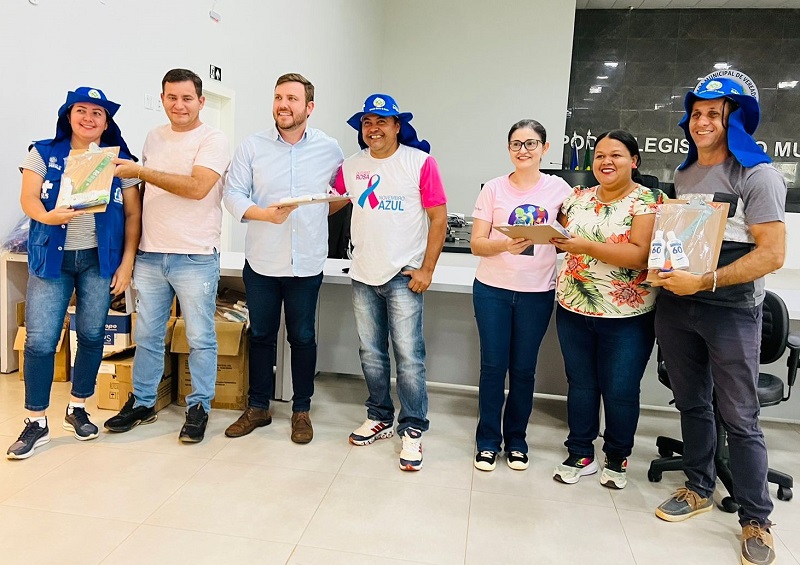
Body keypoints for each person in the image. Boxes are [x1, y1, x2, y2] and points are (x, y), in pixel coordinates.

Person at [651, 71, 786, 565]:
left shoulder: (759, 175)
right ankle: (698, 487)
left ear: (737, 119)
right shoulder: (685, 173)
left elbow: (771, 255)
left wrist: (705, 282)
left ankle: (756, 519)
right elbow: (685, 241)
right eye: (696, 113)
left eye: (714, 113)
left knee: (740, 418)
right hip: (677, 306)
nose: (701, 121)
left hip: (731, 311)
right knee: (692, 403)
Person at [7, 87, 141, 459]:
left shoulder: (119, 161)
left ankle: (78, 407)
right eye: (81, 110)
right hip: (52, 259)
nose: (88, 118)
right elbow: (28, 198)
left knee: (93, 335)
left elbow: (133, 214)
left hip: (99, 261)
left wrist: (127, 262)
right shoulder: (43, 153)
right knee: (40, 340)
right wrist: (47, 216)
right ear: (68, 115)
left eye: (97, 113)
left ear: (106, 122)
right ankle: (36, 421)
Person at [104, 68, 230, 443]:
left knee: (200, 337)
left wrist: (142, 171)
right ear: (162, 99)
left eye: (187, 98)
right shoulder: (154, 136)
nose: (179, 105)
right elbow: (144, 194)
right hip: (150, 254)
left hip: (194, 256)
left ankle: (199, 406)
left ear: (201, 101)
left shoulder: (213, 139)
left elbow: (196, 188)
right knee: (147, 335)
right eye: (171, 98)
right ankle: (143, 402)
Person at [223, 73, 343, 444]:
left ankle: (301, 410)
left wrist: (317, 214)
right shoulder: (252, 146)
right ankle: (258, 407)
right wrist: (265, 215)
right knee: (261, 335)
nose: (283, 105)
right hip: (262, 261)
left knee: (303, 337)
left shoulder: (329, 149)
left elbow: (341, 194)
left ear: (309, 107)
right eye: (278, 97)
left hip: (306, 262)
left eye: (292, 99)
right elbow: (233, 194)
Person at [332, 93, 447, 471]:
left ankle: (412, 427)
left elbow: (439, 218)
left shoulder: (420, 163)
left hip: (403, 276)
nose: (374, 128)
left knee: (409, 357)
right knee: (371, 353)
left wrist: (427, 269)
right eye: (367, 122)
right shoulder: (351, 166)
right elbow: (332, 203)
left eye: (382, 121)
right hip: (363, 274)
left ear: (397, 126)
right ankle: (379, 415)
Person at [551, 129, 661, 489]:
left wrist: (583, 245)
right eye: (600, 155)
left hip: (627, 315)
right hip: (573, 305)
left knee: (620, 389)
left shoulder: (648, 200)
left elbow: (639, 254)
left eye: (616, 155)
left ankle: (616, 456)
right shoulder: (576, 198)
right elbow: (559, 240)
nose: (606, 161)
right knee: (580, 385)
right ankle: (580, 452)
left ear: (634, 161)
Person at [470, 119, 571, 472]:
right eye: (516, 144)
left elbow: (571, 236)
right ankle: (487, 442)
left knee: (524, 370)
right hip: (492, 291)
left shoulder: (559, 189)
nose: (523, 150)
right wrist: (504, 245)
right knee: (493, 368)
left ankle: (516, 441)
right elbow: (477, 244)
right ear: (508, 148)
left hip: (536, 293)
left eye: (531, 144)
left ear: (545, 148)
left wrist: (558, 239)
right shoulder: (493, 189)